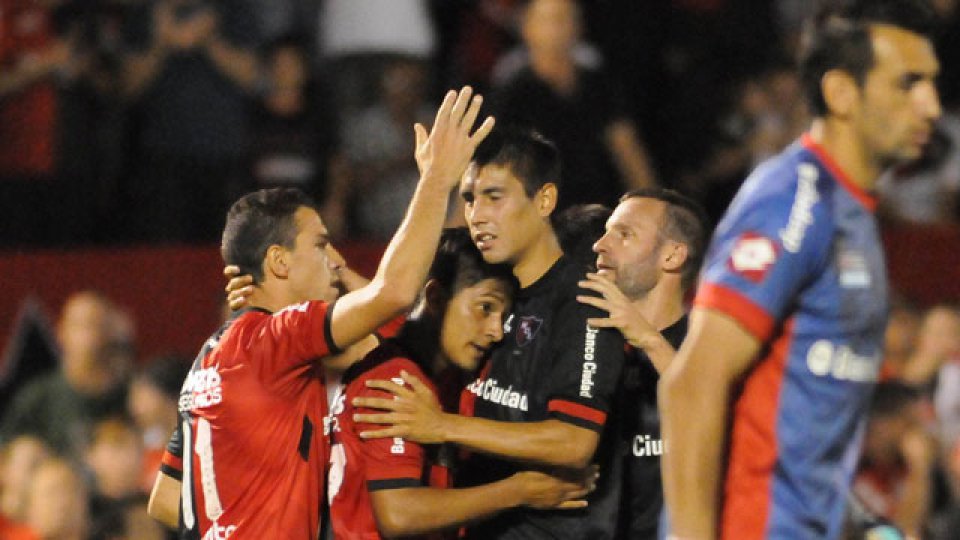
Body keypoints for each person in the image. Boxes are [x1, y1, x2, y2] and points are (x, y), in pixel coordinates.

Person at [145, 87, 495, 539]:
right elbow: (396, 292)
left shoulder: (210, 361)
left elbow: (167, 501)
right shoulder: (276, 337)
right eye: (319, 244)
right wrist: (437, 178)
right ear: (279, 261)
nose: (333, 256)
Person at [659, 1, 942, 538]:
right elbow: (691, 386)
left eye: (932, 83)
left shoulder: (852, 214)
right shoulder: (794, 202)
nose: (930, 105)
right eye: (907, 84)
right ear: (841, 93)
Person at [353, 127, 626, 539]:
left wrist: (440, 425)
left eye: (494, 197)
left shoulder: (583, 302)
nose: (476, 215)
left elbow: (573, 442)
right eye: (469, 198)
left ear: (545, 200)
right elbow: (400, 311)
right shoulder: (496, 291)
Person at [327, 228, 593, 538]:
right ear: (437, 298)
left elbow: (403, 320)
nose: (496, 330)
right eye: (485, 308)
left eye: (503, 316)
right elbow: (400, 514)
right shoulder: (395, 383)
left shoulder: (438, 371)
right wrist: (518, 491)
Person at [574, 188, 707, 539]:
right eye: (606, 231)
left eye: (624, 234)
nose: (600, 245)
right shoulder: (584, 339)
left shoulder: (709, 346)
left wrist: (647, 338)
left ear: (672, 256)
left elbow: (719, 420)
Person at [490, 0, 656, 211]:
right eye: (549, 20)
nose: (558, 29)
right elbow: (489, 160)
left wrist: (650, 208)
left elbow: (628, 151)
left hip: (594, 215)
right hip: (535, 218)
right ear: (526, 27)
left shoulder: (597, 84)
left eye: (567, 19)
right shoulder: (513, 92)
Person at [1, 291, 133, 458]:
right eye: (79, 325)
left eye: (95, 325)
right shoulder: (38, 397)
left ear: (111, 334)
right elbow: (7, 451)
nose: (88, 336)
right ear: (62, 332)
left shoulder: (133, 396)